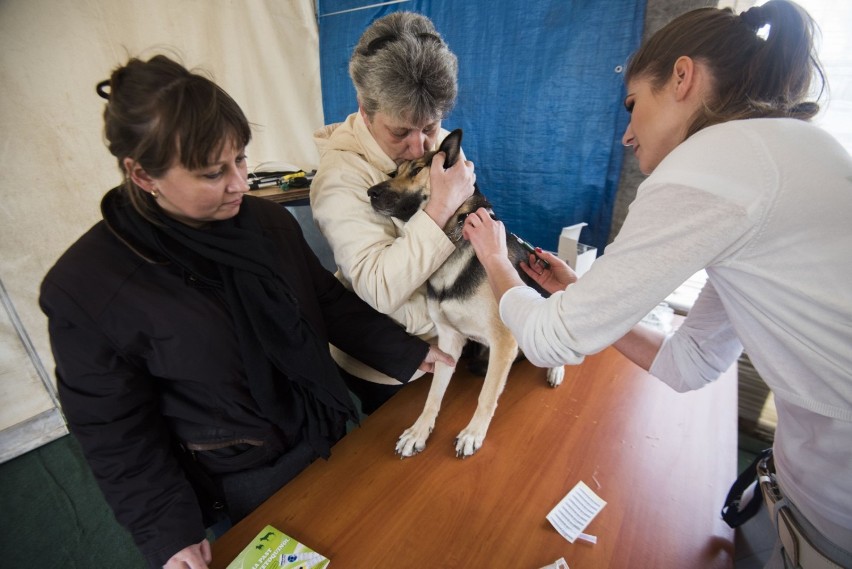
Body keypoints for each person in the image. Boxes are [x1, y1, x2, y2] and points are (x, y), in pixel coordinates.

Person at [462, 2, 852, 567]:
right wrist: (579, 297)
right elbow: (693, 362)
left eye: (632, 105)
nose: (626, 135)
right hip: (809, 489)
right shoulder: (797, 150)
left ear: (682, 77)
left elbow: (548, 341)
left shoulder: (712, 163)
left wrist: (494, 258)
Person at [39, 55, 453, 569]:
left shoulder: (265, 221)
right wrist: (167, 532)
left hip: (322, 426)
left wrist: (410, 353)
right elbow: (113, 429)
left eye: (241, 159)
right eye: (214, 172)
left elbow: (322, 299)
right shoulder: (88, 288)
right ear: (143, 174)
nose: (240, 182)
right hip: (239, 468)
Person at [310, 11, 477, 414]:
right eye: (400, 132)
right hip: (394, 366)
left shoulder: (429, 138)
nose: (419, 147)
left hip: (454, 336)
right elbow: (381, 288)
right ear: (365, 112)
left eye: (431, 127)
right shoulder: (339, 178)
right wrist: (440, 207)